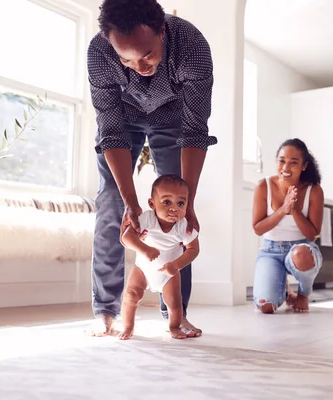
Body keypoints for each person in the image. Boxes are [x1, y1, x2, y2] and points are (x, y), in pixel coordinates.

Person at [86, 0, 216, 337]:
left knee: (177, 213)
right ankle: (105, 311)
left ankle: (176, 314)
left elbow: (195, 132)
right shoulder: (99, 52)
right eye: (126, 59)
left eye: (146, 55)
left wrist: (185, 204)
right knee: (112, 203)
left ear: (161, 31)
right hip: (123, 121)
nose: (138, 66)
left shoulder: (192, 46)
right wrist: (131, 203)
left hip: (174, 120)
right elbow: (111, 132)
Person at [118, 175, 199, 340]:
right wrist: (145, 249)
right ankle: (128, 326)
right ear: (151, 204)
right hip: (143, 268)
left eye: (181, 203)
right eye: (167, 202)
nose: (174, 208)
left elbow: (193, 250)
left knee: (174, 303)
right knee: (131, 294)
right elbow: (127, 237)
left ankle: (174, 327)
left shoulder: (184, 226)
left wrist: (176, 265)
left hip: (169, 273)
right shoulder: (147, 218)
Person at [251, 139, 324, 314]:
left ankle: (303, 294)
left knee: (301, 254)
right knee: (265, 306)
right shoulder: (263, 186)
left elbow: (313, 234)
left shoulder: (314, 190)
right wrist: (283, 210)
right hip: (270, 251)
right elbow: (258, 229)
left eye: (293, 163)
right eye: (282, 161)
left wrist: (296, 210)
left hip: (302, 249)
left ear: (304, 166)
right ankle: (285, 291)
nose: (286, 167)